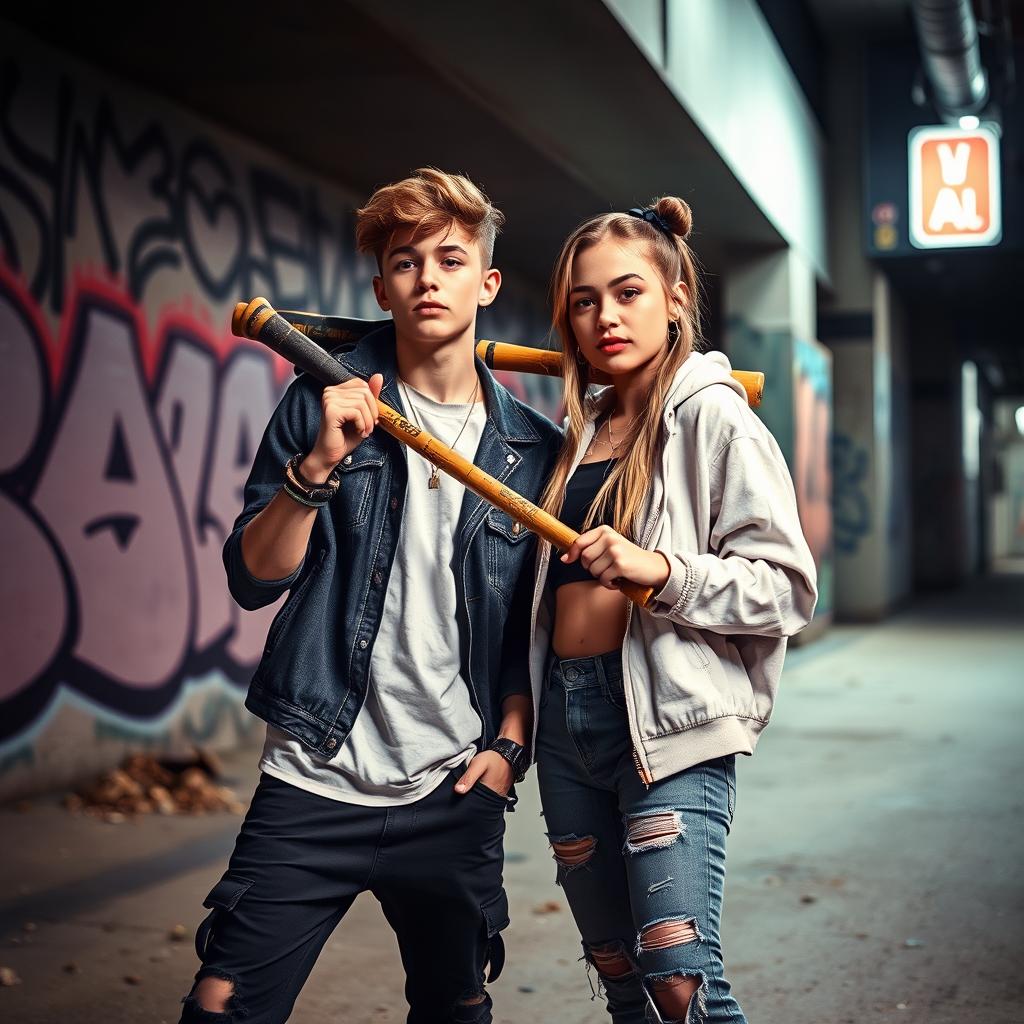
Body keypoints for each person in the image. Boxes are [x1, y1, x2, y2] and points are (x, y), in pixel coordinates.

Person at [179, 168, 559, 1024]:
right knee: (221, 1002)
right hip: (316, 770)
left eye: (451, 259)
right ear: (381, 286)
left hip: (455, 788)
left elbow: (529, 635)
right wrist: (317, 466)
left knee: (454, 1006)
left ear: (486, 283)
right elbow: (252, 579)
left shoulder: (533, 452)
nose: (428, 278)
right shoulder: (322, 404)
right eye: (405, 261)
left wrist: (508, 748)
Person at [527, 198, 818, 1023]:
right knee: (620, 974)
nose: (605, 316)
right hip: (566, 721)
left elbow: (786, 589)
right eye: (585, 301)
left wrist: (658, 570)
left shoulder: (715, 417)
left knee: (678, 975)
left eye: (627, 293)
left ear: (675, 298)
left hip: (669, 719)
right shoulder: (578, 429)